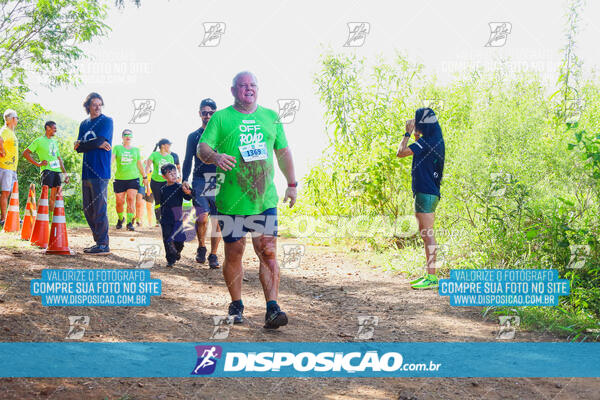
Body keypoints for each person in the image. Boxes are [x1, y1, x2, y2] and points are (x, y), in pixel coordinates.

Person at [198, 71, 297, 330]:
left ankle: (272, 308)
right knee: (234, 252)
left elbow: (283, 152)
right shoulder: (220, 118)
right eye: (243, 86)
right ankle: (237, 303)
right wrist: (216, 157)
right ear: (233, 91)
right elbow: (202, 149)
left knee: (268, 251)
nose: (249, 89)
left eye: (253, 85)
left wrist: (292, 184)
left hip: (264, 199)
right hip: (231, 201)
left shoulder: (271, 117)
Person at [397, 107, 445, 290]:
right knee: (427, 234)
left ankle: (432, 278)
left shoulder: (427, 142)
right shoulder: (433, 141)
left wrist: (407, 132)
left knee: (428, 234)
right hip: (428, 192)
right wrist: (417, 133)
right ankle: (429, 276)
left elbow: (401, 152)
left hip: (425, 192)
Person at [182, 98, 222, 269]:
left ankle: (213, 254)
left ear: (215, 114)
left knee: (217, 220)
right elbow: (187, 160)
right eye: (204, 112)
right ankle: (201, 247)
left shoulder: (223, 135)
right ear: (199, 114)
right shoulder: (193, 136)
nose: (207, 115)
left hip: (218, 180)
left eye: (211, 113)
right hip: (198, 179)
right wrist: (184, 179)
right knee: (202, 217)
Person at [74, 92, 113, 255]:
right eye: (94, 104)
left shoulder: (107, 121)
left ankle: (103, 244)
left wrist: (86, 144)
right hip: (86, 170)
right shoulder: (83, 124)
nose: (97, 107)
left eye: (100, 104)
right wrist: (90, 144)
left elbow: (98, 141)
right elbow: (78, 147)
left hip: (100, 170)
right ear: (88, 106)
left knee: (99, 207)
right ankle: (98, 242)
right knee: (87, 208)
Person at [23, 121, 70, 215]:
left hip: (57, 171)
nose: (55, 130)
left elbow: (59, 159)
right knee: (44, 194)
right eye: (54, 128)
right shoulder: (39, 140)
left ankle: (49, 220)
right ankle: (37, 217)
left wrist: (65, 174)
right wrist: (38, 164)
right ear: (47, 128)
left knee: (54, 196)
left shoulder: (55, 142)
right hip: (47, 170)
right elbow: (25, 153)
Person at [159, 163, 194, 268]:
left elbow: (189, 197)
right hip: (166, 219)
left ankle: (177, 252)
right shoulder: (162, 189)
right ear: (164, 176)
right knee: (167, 240)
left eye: (175, 173)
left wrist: (188, 192)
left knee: (180, 240)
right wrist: (160, 217)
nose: (173, 175)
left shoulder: (179, 187)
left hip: (178, 218)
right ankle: (170, 260)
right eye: (170, 173)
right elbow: (161, 204)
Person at [112, 129, 147, 231]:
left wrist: (144, 177)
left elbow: (139, 164)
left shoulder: (135, 150)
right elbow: (112, 159)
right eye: (126, 135)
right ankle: (120, 219)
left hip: (133, 178)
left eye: (130, 135)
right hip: (119, 179)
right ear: (122, 137)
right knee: (119, 202)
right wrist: (106, 170)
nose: (128, 136)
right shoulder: (117, 148)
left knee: (131, 199)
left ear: (131, 137)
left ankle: (129, 222)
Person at [145, 138, 175, 223]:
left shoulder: (170, 157)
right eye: (168, 144)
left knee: (166, 200)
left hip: (166, 182)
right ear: (163, 145)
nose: (169, 146)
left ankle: (166, 218)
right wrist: (145, 176)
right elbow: (148, 166)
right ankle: (158, 219)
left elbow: (173, 170)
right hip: (155, 181)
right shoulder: (154, 154)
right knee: (158, 200)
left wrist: (174, 180)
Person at [0, 109, 19, 225]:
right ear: (12, 119)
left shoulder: (11, 132)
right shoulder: (5, 130)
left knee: (13, 193)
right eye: (17, 118)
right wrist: (2, 151)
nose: (17, 120)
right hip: (5, 167)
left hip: (12, 168)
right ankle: (3, 219)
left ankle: (12, 217)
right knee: (5, 193)